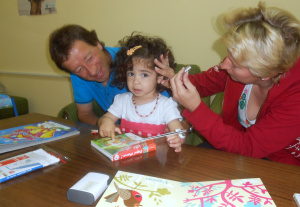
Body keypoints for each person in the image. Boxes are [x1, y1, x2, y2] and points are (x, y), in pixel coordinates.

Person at [158, 2, 300, 166]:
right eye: (228, 55)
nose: (223, 66)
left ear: (266, 74)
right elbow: (204, 83)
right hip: (241, 150)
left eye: (235, 65)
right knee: (189, 165)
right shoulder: (236, 68)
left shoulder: (295, 98)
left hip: (284, 166)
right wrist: (173, 79)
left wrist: (196, 109)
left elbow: (248, 147)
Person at [49, 25, 170, 126]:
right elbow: (85, 113)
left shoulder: (133, 61)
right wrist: (105, 124)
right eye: (79, 69)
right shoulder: (76, 76)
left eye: (90, 58)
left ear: (97, 45)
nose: (92, 71)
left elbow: (168, 107)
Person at [97, 34, 184, 152]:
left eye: (144, 75)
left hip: (156, 160)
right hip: (128, 158)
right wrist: (106, 123)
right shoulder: (122, 100)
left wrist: (177, 138)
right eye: (131, 74)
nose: (135, 82)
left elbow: (178, 131)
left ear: (159, 77)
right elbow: (105, 118)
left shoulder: (166, 105)